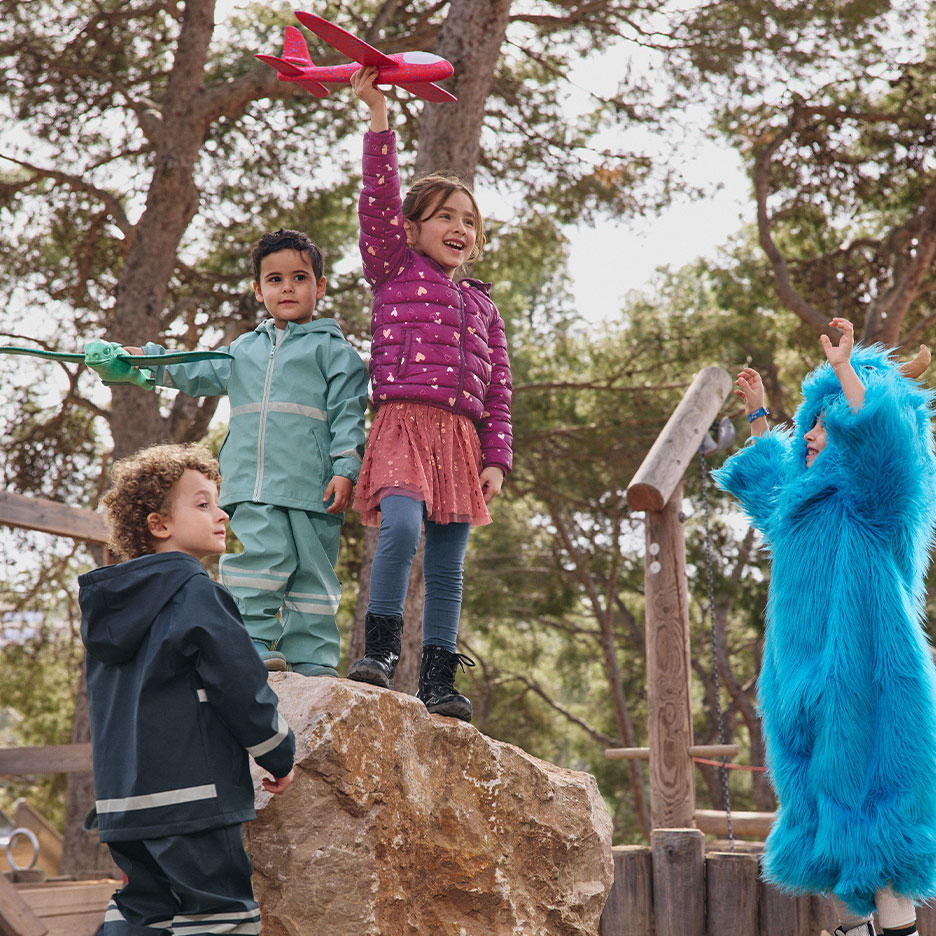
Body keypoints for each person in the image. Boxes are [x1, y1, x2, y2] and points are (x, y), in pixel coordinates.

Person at [713, 318, 936, 936]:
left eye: (825, 423)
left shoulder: (880, 505)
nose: (811, 433)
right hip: (798, 687)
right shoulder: (802, 508)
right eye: (811, 422)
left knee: (880, 830)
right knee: (820, 832)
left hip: (868, 688)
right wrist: (760, 417)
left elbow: (884, 443)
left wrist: (844, 371)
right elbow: (770, 489)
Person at [345, 66, 513, 722]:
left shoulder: (484, 308)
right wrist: (378, 118)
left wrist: (495, 458)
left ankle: (439, 680)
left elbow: (499, 390)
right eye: (445, 216)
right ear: (410, 230)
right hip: (403, 423)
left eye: (469, 220)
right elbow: (377, 201)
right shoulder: (393, 269)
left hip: (461, 441)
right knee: (401, 526)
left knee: (448, 564)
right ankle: (380, 652)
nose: (459, 226)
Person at [126, 229, 369, 676]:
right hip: (252, 486)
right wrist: (146, 361)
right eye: (275, 279)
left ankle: (313, 658)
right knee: (260, 561)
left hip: (314, 486)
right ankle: (249, 640)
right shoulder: (243, 350)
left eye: (299, 278)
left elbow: (348, 416)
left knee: (315, 573)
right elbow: (197, 369)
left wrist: (346, 468)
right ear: (258, 290)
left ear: (320, 286)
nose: (287, 288)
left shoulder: (336, 353)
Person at [79, 443, 296, 935]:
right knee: (220, 916)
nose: (222, 514)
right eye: (203, 504)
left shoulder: (108, 610)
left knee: (141, 912)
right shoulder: (197, 593)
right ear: (159, 525)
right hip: (194, 802)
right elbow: (241, 686)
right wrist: (278, 752)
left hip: (124, 807)